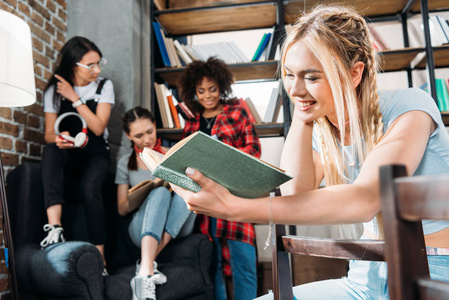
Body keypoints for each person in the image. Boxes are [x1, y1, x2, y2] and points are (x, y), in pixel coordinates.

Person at [172, 5, 449, 300]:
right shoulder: (322, 133)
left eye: (312, 77)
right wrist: (303, 118)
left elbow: (365, 199)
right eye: (290, 75)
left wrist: (234, 208)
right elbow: (295, 194)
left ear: (354, 74)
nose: (295, 89)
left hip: (434, 272)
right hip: (364, 276)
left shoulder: (411, 107)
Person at [179, 57, 261, 300]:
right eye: (201, 91)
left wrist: (225, 157)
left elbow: (254, 151)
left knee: (244, 263)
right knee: (212, 265)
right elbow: (183, 161)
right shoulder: (192, 122)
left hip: (235, 196)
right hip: (204, 202)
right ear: (194, 91)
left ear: (222, 87)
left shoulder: (237, 112)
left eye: (212, 89)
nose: (207, 96)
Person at [41, 36, 114, 274]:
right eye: (90, 65)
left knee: (89, 187)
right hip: (69, 155)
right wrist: (59, 138)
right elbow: (48, 135)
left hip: (96, 155)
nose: (97, 69)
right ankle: (54, 228)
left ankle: (100, 259)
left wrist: (75, 98)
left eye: (98, 63)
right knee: (50, 150)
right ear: (74, 65)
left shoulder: (104, 86)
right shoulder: (54, 90)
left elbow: (98, 128)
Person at [115, 107, 196, 300]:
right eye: (139, 135)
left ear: (155, 126)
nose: (147, 140)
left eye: (150, 132)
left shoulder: (171, 155)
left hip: (178, 223)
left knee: (188, 189)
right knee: (159, 193)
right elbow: (121, 209)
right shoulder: (125, 163)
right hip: (142, 226)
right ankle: (147, 267)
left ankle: (145, 266)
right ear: (129, 136)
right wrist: (144, 197)